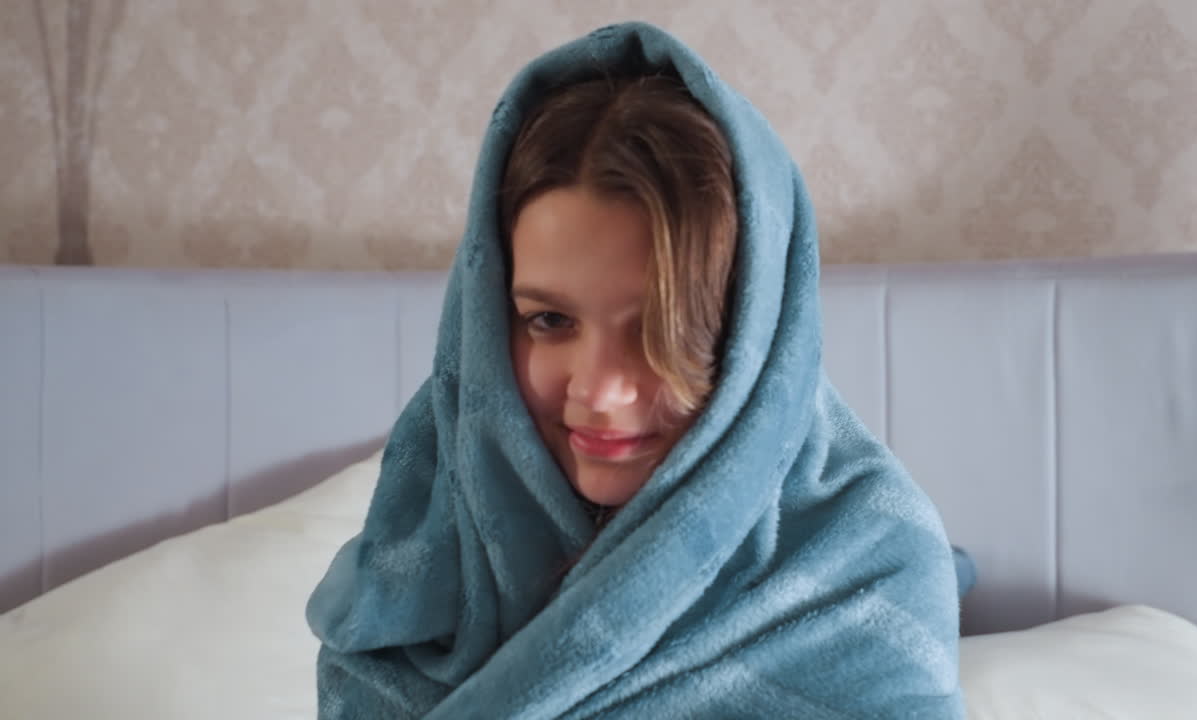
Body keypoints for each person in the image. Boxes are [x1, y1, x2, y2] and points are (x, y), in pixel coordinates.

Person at [306, 22, 965, 719]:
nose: (600, 392)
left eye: (658, 330)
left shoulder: (868, 571)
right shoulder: (413, 557)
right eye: (549, 321)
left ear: (750, 339)